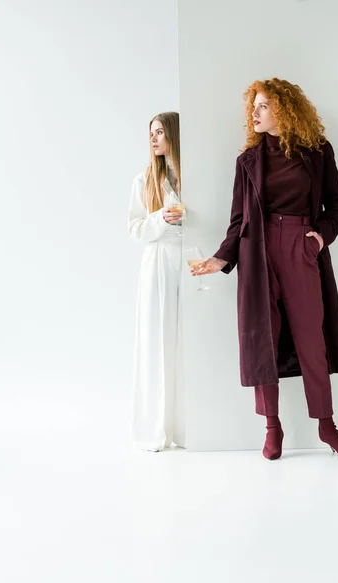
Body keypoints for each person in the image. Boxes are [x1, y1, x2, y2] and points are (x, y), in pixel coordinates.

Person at [192, 78, 338, 459]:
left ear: (284, 109)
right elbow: (239, 221)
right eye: (254, 106)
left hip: (300, 245)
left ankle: (326, 425)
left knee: (312, 340)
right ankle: (272, 426)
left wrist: (320, 237)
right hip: (256, 253)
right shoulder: (247, 160)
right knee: (263, 337)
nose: (254, 112)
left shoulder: (317, 152)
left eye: (262, 105)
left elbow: (337, 202)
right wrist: (221, 258)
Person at [128, 112, 186, 451]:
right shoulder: (145, 180)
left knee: (185, 340)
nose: (153, 139)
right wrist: (159, 217)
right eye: (151, 133)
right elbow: (134, 229)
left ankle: (185, 425)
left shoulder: (193, 176)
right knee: (156, 338)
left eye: (160, 132)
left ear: (174, 135)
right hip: (158, 260)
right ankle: (155, 427)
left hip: (188, 258)